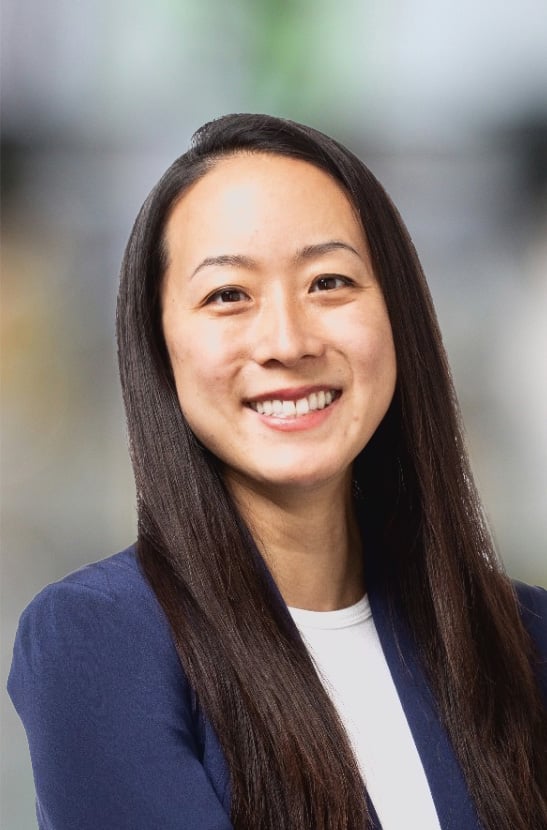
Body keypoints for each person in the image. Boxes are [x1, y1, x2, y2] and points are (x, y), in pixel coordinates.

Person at [8, 113, 547, 830]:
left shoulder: (523, 638)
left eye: (329, 281)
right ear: (158, 345)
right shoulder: (101, 638)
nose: (288, 341)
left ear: (400, 316)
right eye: (228, 295)